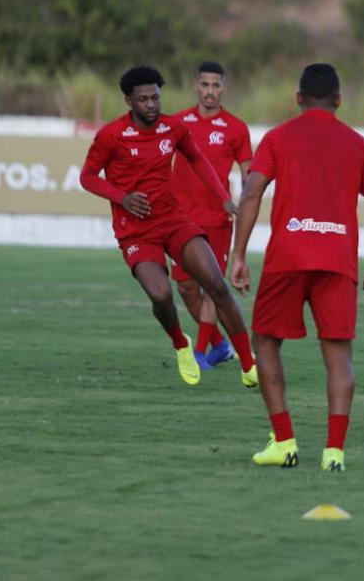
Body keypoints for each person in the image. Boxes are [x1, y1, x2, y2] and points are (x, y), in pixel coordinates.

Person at [231, 63, 364, 472]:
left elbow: (251, 194)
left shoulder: (278, 137)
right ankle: (334, 452)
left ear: (298, 98)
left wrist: (238, 255)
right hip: (337, 259)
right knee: (338, 354)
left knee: (265, 342)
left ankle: (284, 442)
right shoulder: (357, 144)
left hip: (287, 257)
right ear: (338, 101)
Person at [79, 65, 258, 388]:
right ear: (128, 101)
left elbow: (197, 159)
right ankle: (181, 344)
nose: (151, 105)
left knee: (216, 284)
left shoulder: (173, 129)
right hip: (135, 230)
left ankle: (248, 362)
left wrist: (222, 198)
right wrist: (122, 198)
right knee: (162, 295)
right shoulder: (111, 135)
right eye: (143, 99)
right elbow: (87, 177)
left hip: (173, 220)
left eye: (156, 98)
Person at [171, 61, 253, 371]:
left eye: (216, 86)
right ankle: (220, 345)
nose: (210, 91)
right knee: (186, 287)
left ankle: (201, 351)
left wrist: (246, 204)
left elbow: (249, 174)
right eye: (205, 85)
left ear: (225, 88)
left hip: (217, 219)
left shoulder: (235, 128)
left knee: (211, 286)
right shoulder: (177, 123)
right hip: (180, 219)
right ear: (196, 86)